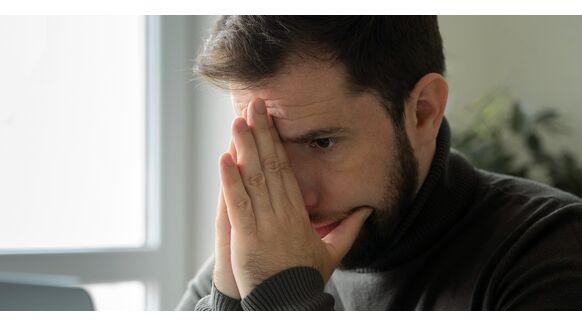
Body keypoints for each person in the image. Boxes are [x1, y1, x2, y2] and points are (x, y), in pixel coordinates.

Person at [176, 16, 582, 310]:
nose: (298, 199)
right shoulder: (253, 263)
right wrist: (228, 307)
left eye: (322, 142)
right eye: (269, 148)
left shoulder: (549, 252)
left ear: (423, 112)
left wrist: (285, 304)